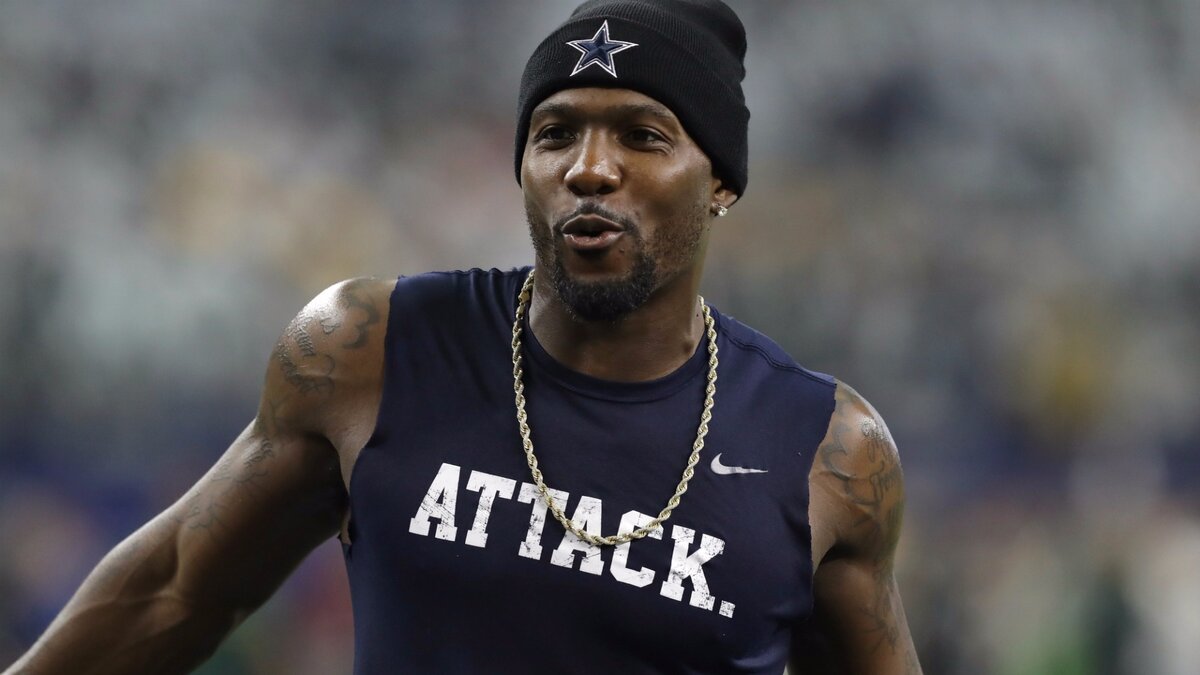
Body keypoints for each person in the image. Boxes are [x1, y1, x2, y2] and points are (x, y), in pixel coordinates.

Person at [5, 1, 922, 673]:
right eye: (555, 133)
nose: (590, 168)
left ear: (720, 181)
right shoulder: (370, 350)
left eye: (642, 136)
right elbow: (174, 591)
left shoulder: (827, 451)